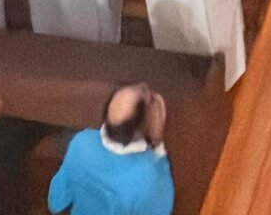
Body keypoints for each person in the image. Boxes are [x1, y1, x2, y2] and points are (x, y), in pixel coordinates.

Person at [47, 84, 175, 215]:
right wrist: (158, 147)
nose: (143, 85)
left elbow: (56, 200)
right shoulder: (147, 176)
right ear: (143, 128)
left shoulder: (82, 141)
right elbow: (162, 208)